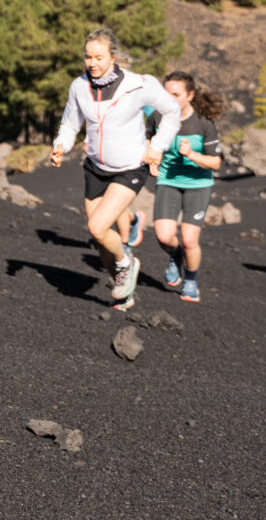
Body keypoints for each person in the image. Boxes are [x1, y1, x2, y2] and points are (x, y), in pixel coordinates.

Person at [50, 29, 180, 311]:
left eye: (98, 57)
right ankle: (123, 291)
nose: (92, 63)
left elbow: (172, 112)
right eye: (87, 57)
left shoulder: (139, 85)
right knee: (101, 241)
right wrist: (61, 145)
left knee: (96, 227)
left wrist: (156, 147)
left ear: (113, 57)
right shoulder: (79, 86)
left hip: (129, 167)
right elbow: (71, 123)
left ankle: (127, 263)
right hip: (95, 167)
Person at [151, 71, 223, 305]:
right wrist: (151, 161)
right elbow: (146, 144)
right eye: (166, 93)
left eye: (176, 94)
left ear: (190, 95)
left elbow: (216, 162)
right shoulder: (156, 118)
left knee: (190, 239)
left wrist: (191, 154)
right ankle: (175, 254)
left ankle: (190, 280)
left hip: (198, 184)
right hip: (168, 180)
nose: (169, 99)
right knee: (164, 236)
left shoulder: (204, 123)